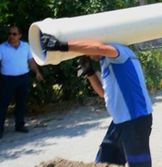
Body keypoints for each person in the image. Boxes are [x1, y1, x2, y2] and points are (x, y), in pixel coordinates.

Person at [41, 35, 152, 167]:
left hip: (135, 120)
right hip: (120, 121)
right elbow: (103, 94)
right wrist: (89, 73)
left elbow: (100, 48)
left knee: (139, 164)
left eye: (85, 49)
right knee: (105, 159)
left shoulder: (120, 51)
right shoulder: (107, 62)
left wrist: (62, 45)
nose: (85, 54)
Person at [0, 25, 44, 138]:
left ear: (20, 35)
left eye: (14, 34)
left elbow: (31, 61)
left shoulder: (25, 46)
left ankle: (20, 125)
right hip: (7, 80)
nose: (11, 36)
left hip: (23, 78)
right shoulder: (2, 48)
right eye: (9, 34)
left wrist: (37, 72)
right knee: (3, 104)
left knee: (21, 103)